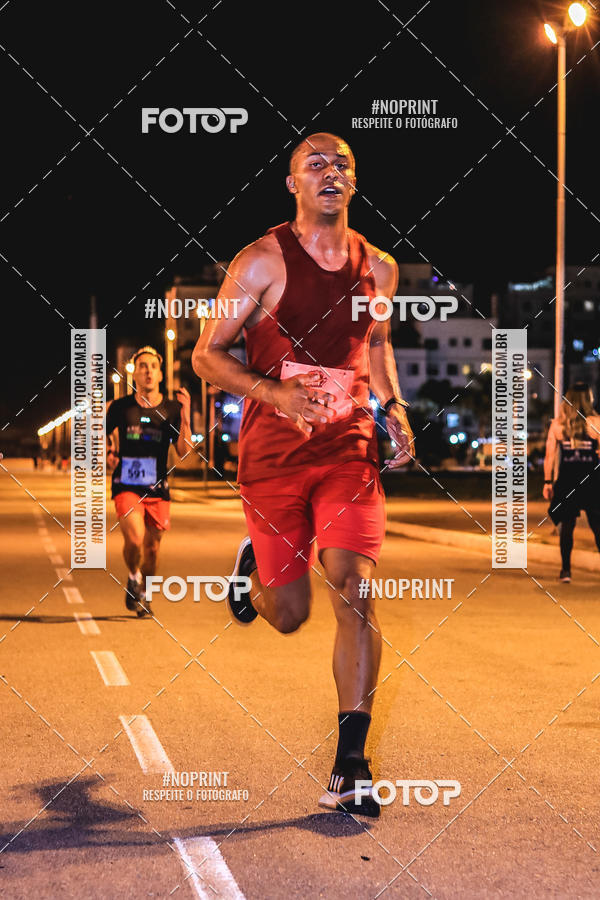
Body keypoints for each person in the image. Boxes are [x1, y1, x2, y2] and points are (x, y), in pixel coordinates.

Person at [192, 133, 414, 817]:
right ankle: (252, 571)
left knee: (355, 587)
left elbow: (375, 347)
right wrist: (276, 393)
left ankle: (352, 764)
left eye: (342, 164)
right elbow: (207, 355)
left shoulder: (380, 269)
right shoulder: (259, 261)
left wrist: (393, 409)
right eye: (315, 164)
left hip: (347, 449)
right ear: (293, 184)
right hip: (273, 456)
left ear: (354, 181)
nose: (330, 172)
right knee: (289, 615)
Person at [106, 346, 192, 615]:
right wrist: (107, 452)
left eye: (153, 366)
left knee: (152, 549)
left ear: (160, 374)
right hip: (126, 485)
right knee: (135, 539)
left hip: (158, 487)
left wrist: (186, 415)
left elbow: (183, 452)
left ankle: (144, 593)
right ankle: (134, 575)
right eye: (142, 366)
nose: (148, 371)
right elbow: (100, 435)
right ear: (135, 374)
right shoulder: (121, 407)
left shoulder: (172, 409)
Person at [543, 382, 600, 582]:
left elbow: (550, 456)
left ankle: (566, 571)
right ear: (589, 399)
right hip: (592, 479)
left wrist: (547, 482)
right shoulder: (597, 423)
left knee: (567, 526)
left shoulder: (558, 425)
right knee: (597, 525)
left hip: (568, 479)